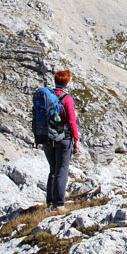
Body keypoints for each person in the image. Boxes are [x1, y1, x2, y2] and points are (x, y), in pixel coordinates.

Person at [44, 69, 79, 210]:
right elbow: (71, 121)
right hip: (63, 138)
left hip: (47, 137)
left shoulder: (47, 96)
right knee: (62, 169)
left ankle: (50, 203)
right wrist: (76, 140)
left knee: (52, 170)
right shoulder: (66, 98)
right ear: (67, 82)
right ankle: (59, 204)